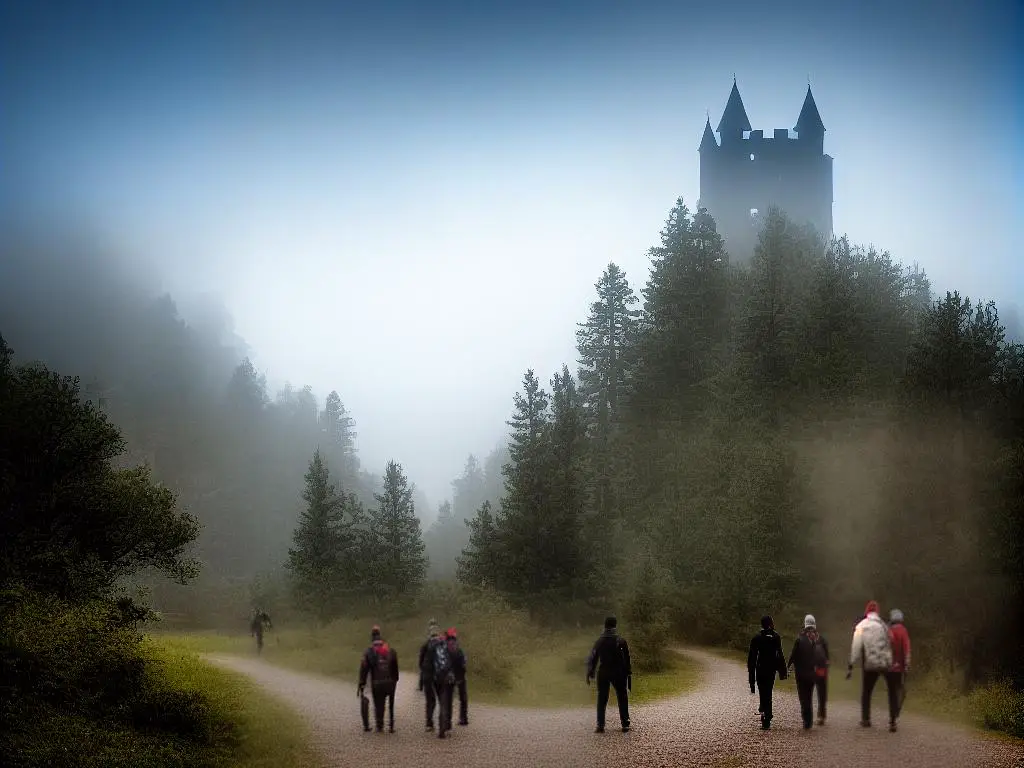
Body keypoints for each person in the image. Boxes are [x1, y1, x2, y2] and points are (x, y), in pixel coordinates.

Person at [846, 600, 895, 729]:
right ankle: (892, 721)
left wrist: (851, 663)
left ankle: (866, 719)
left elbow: (856, 646)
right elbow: (891, 640)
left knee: (867, 692)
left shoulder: (862, 625)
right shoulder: (884, 625)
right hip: (885, 662)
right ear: (877, 612)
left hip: (870, 663)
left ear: (867, 612)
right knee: (891, 690)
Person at [585, 616, 632, 734]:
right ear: (615, 626)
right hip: (618, 672)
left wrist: (590, 672)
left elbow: (593, 657)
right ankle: (625, 723)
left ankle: (600, 725)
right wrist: (628, 671)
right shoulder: (620, 640)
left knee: (602, 699)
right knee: (622, 696)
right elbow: (627, 658)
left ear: (605, 626)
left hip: (604, 671)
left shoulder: (599, 641)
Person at [787, 614, 830, 729]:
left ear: (805, 624)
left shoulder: (800, 638)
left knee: (804, 697)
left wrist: (788, 667)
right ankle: (819, 716)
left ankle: (807, 722)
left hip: (802, 673)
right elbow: (827, 658)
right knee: (816, 694)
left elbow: (793, 655)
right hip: (816, 672)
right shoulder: (820, 638)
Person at [358, 625, 400, 733]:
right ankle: (391, 725)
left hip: (377, 683)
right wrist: (395, 679)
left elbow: (364, 669)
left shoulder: (369, 652)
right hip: (390, 682)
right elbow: (395, 667)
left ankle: (379, 725)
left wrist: (362, 683)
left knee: (379, 704)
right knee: (391, 703)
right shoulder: (390, 651)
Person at [748, 615, 787, 730]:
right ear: (771, 624)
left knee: (762, 691)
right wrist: (782, 671)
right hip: (771, 669)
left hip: (760, 669)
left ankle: (764, 712)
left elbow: (752, 658)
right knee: (768, 692)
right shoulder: (776, 637)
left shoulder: (757, 638)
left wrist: (751, 677)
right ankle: (767, 715)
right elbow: (779, 654)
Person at [424, 627, 459, 738]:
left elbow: (427, 663)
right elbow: (460, 662)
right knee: (447, 702)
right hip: (449, 678)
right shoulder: (453, 647)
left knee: (441, 701)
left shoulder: (433, 646)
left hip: (437, 678)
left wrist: (428, 678)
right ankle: (446, 727)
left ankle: (442, 727)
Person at [888, 608, 912, 731]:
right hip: (899, 668)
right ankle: (895, 713)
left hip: (888, 668)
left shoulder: (888, 630)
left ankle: (892, 719)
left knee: (891, 692)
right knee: (901, 691)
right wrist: (907, 664)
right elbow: (906, 648)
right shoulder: (903, 631)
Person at [417, 619, 442, 732]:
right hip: (440, 675)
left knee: (430, 700)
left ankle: (429, 723)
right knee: (442, 699)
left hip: (428, 675)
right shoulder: (442, 644)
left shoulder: (426, 644)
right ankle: (444, 722)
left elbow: (421, 663)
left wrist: (422, 674)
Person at [446, 627, 470, 726]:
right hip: (460, 676)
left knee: (448, 699)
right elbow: (464, 662)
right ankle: (463, 718)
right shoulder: (459, 649)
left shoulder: (445, 648)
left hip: (449, 677)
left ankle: (448, 721)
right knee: (463, 698)